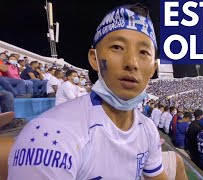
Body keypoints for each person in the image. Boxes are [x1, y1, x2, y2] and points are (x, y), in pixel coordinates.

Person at [8, 4, 174, 179]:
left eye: (143, 52)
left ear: (154, 69)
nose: (131, 62)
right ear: (94, 59)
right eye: (117, 47)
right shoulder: (48, 136)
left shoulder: (148, 130)